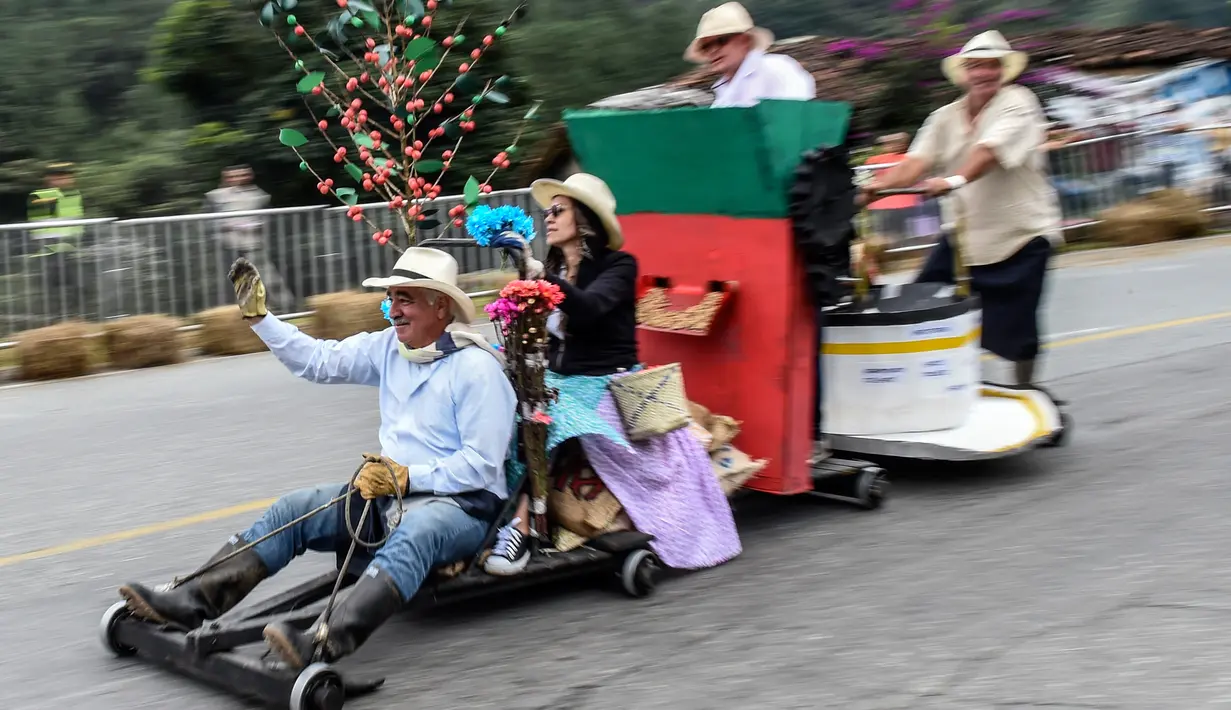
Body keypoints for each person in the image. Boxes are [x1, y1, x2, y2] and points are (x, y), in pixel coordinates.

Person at [116, 247, 516, 670]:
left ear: (441, 305)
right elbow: (318, 362)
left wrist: (406, 478)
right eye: (391, 298)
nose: (393, 310)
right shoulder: (387, 348)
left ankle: (324, 642)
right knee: (294, 509)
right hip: (388, 496)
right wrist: (261, 320)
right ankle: (189, 599)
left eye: (405, 299)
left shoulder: (477, 369)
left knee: (417, 529)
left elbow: (483, 465)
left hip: (463, 507)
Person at [482, 173, 742, 576]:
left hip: (607, 385)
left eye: (557, 210)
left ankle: (519, 527)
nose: (547, 218)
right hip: (561, 383)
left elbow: (589, 307)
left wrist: (536, 274)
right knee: (502, 406)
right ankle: (483, 513)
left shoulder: (619, 265)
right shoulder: (552, 269)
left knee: (542, 418)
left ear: (584, 220)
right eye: (545, 212)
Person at [859, 30, 1063, 388]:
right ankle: (941, 387)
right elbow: (916, 162)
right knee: (921, 304)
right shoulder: (944, 117)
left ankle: (1027, 391)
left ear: (1003, 70)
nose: (984, 73)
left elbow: (988, 152)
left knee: (1019, 328)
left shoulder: (1019, 102)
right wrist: (874, 188)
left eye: (991, 66)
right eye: (976, 66)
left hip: (1021, 235)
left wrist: (952, 181)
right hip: (965, 239)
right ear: (964, 72)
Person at [684, 2, 815, 108]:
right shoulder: (722, 96)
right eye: (706, 47)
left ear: (745, 40)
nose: (713, 50)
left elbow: (795, 118)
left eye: (721, 41)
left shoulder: (777, 68)